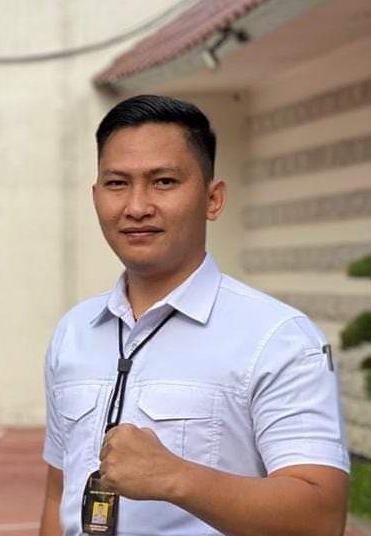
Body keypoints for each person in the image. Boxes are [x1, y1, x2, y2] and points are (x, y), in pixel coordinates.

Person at [39, 95, 350, 536]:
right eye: (117, 183)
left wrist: (174, 477)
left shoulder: (278, 338)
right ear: (96, 197)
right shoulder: (74, 331)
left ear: (212, 198)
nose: (136, 206)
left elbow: (320, 518)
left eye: (163, 182)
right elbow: (58, 494)